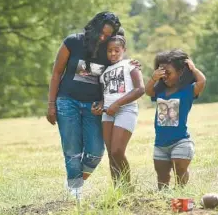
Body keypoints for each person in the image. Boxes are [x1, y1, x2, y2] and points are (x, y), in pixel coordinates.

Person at [46, 11, 127, 200]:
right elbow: (57, 74)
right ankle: (75, 192)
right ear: (93, 26)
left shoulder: (109, 51)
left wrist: (102, 102)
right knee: (72, 149)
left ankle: (74, 183)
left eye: (108, 35)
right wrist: (51, 104)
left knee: (95, 152)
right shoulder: (72, 42)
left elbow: (117, 72)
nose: (102, 37)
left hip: (93, 106)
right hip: (67, 101)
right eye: (101, 32)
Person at [145, 49, 206, 190]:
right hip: (160, 144)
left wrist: (193, 69)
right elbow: (147, 91)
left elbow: (202, 81)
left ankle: (180, 192)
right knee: (162, 176)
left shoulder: (187, 90)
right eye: (161, 72)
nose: (164, 76)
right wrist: (154, 78)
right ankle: (164, 197)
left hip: (181, 141)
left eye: (168, 73)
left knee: (179, 169)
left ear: (180, 72)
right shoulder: (160, 91)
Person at [92, 35, 145, 187]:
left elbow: (140, 89)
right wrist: (100, 106)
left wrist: (117, 104)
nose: (113, 54)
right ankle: (117, 190)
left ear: (124, 50)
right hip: (107, 113)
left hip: (125, 110)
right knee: (111, 155)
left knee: (117, 151)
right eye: (110, 51)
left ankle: (128, 188)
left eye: (116, 50)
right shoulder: (103, 72)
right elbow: (105, 95)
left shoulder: (131, 65)